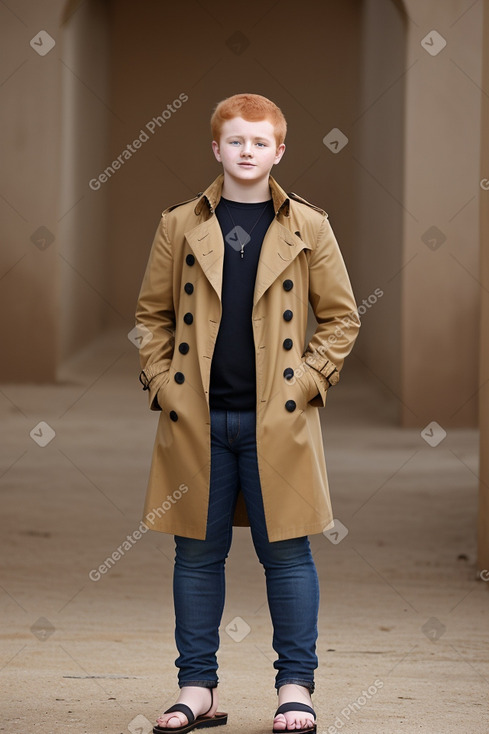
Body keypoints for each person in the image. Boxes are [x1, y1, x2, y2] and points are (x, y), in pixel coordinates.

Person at [135, 93, 360, 734]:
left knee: (287, 557)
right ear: (216, 148)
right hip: (197, 421)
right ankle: (196, 689)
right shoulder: (179, 223)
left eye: (260, 143)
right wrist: (163, 384)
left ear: (279, 151)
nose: (247, 152)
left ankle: (295, 689)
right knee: (196, 558)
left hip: (278, 422)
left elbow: (342, 317)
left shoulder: (308, 226)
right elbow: (150, 317)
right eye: (235, 141)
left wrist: (307, 384)